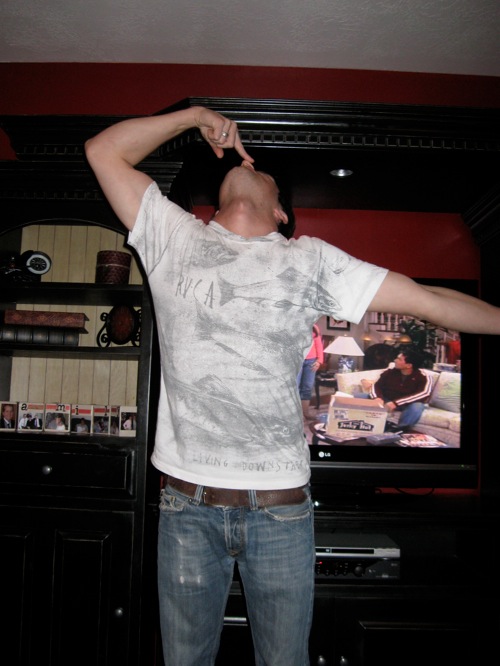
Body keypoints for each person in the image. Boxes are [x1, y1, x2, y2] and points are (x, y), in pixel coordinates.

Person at [85, 104, 500, 666]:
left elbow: (431, 301)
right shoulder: (171, 235)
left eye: (265, 173)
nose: (249, 163)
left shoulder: (312, 261)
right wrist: (193, 116)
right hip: (187, 505)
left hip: (280, 510)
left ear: (281, 213)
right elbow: (102, 151)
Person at [357, 350, 432, 428]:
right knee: (358, 396)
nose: (395, 360)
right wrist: (377, 398)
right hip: (386, 400)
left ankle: (400, 429)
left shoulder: (424, 376)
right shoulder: (390, 372)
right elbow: (376, 386)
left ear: (409, 365)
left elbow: (424, 393)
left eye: (399, 359)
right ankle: (356, 423)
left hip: (407, 404)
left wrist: (396, 403)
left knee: (417, 406)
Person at [297, 324, 324, 422]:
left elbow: (318, 344)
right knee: (295, 387)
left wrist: (319, 361)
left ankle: (305, 413)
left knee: (307, 387)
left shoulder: (314, 327)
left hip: (311, 361)